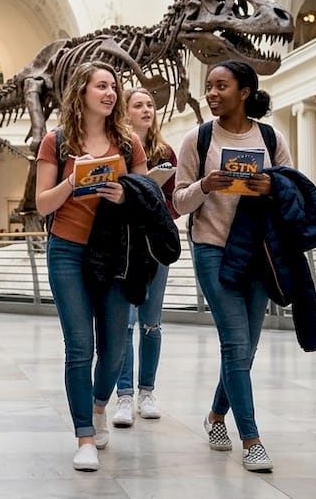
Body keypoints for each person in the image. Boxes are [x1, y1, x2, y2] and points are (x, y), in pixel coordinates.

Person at [173, 60, 294, 474]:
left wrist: (271, 185)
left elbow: (291, 190)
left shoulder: (271, 137)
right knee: (235, 345)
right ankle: (253, 440)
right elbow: (178, 202)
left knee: (248, 347)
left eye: (220, 86)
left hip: (258, 252)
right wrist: (207, 185)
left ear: (244, 92)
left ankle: (214, 417)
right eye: (208, 86)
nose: (211, 93)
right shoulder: (198, 138)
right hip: (212, 248)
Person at [34, 61, 147, 471]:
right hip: (67, 250)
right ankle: (83, 434)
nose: (110, 93)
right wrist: (73, 181)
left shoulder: (129, 141)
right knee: (79, 347)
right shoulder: (56, 141)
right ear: (81, 91)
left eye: (114, 87)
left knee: (114, 350)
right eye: (101, 86)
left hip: (116, 253)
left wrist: (124, 195)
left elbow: (146, 198)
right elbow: (42, 202)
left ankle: (100, 403)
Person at [112, 88, 178, 427]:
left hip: (155, 243)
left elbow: (173, 202)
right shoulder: (116, 148)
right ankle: (123, 395)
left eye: (150, 104)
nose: (146, 109)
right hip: (125, 244)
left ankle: (146, 391)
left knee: (152, 321)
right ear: (125, 111)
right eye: (138, 104)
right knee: (125, 320)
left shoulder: (165, 152)